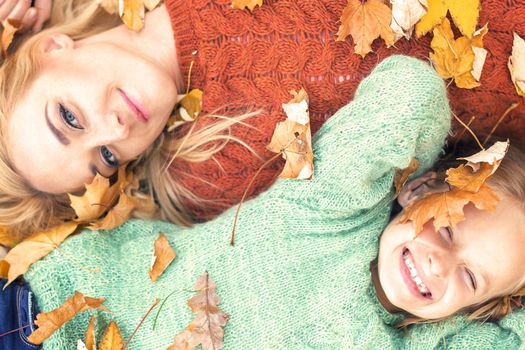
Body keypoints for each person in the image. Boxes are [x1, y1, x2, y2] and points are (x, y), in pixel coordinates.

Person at [4, 55, 525, 349]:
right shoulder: (336, 209)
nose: (440, 262)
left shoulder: (425, 343)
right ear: (419, 192)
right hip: (47, 310)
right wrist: (421, 175)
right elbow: (411, 94)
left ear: (480, 307)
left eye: (471, 277)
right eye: (449, 228)